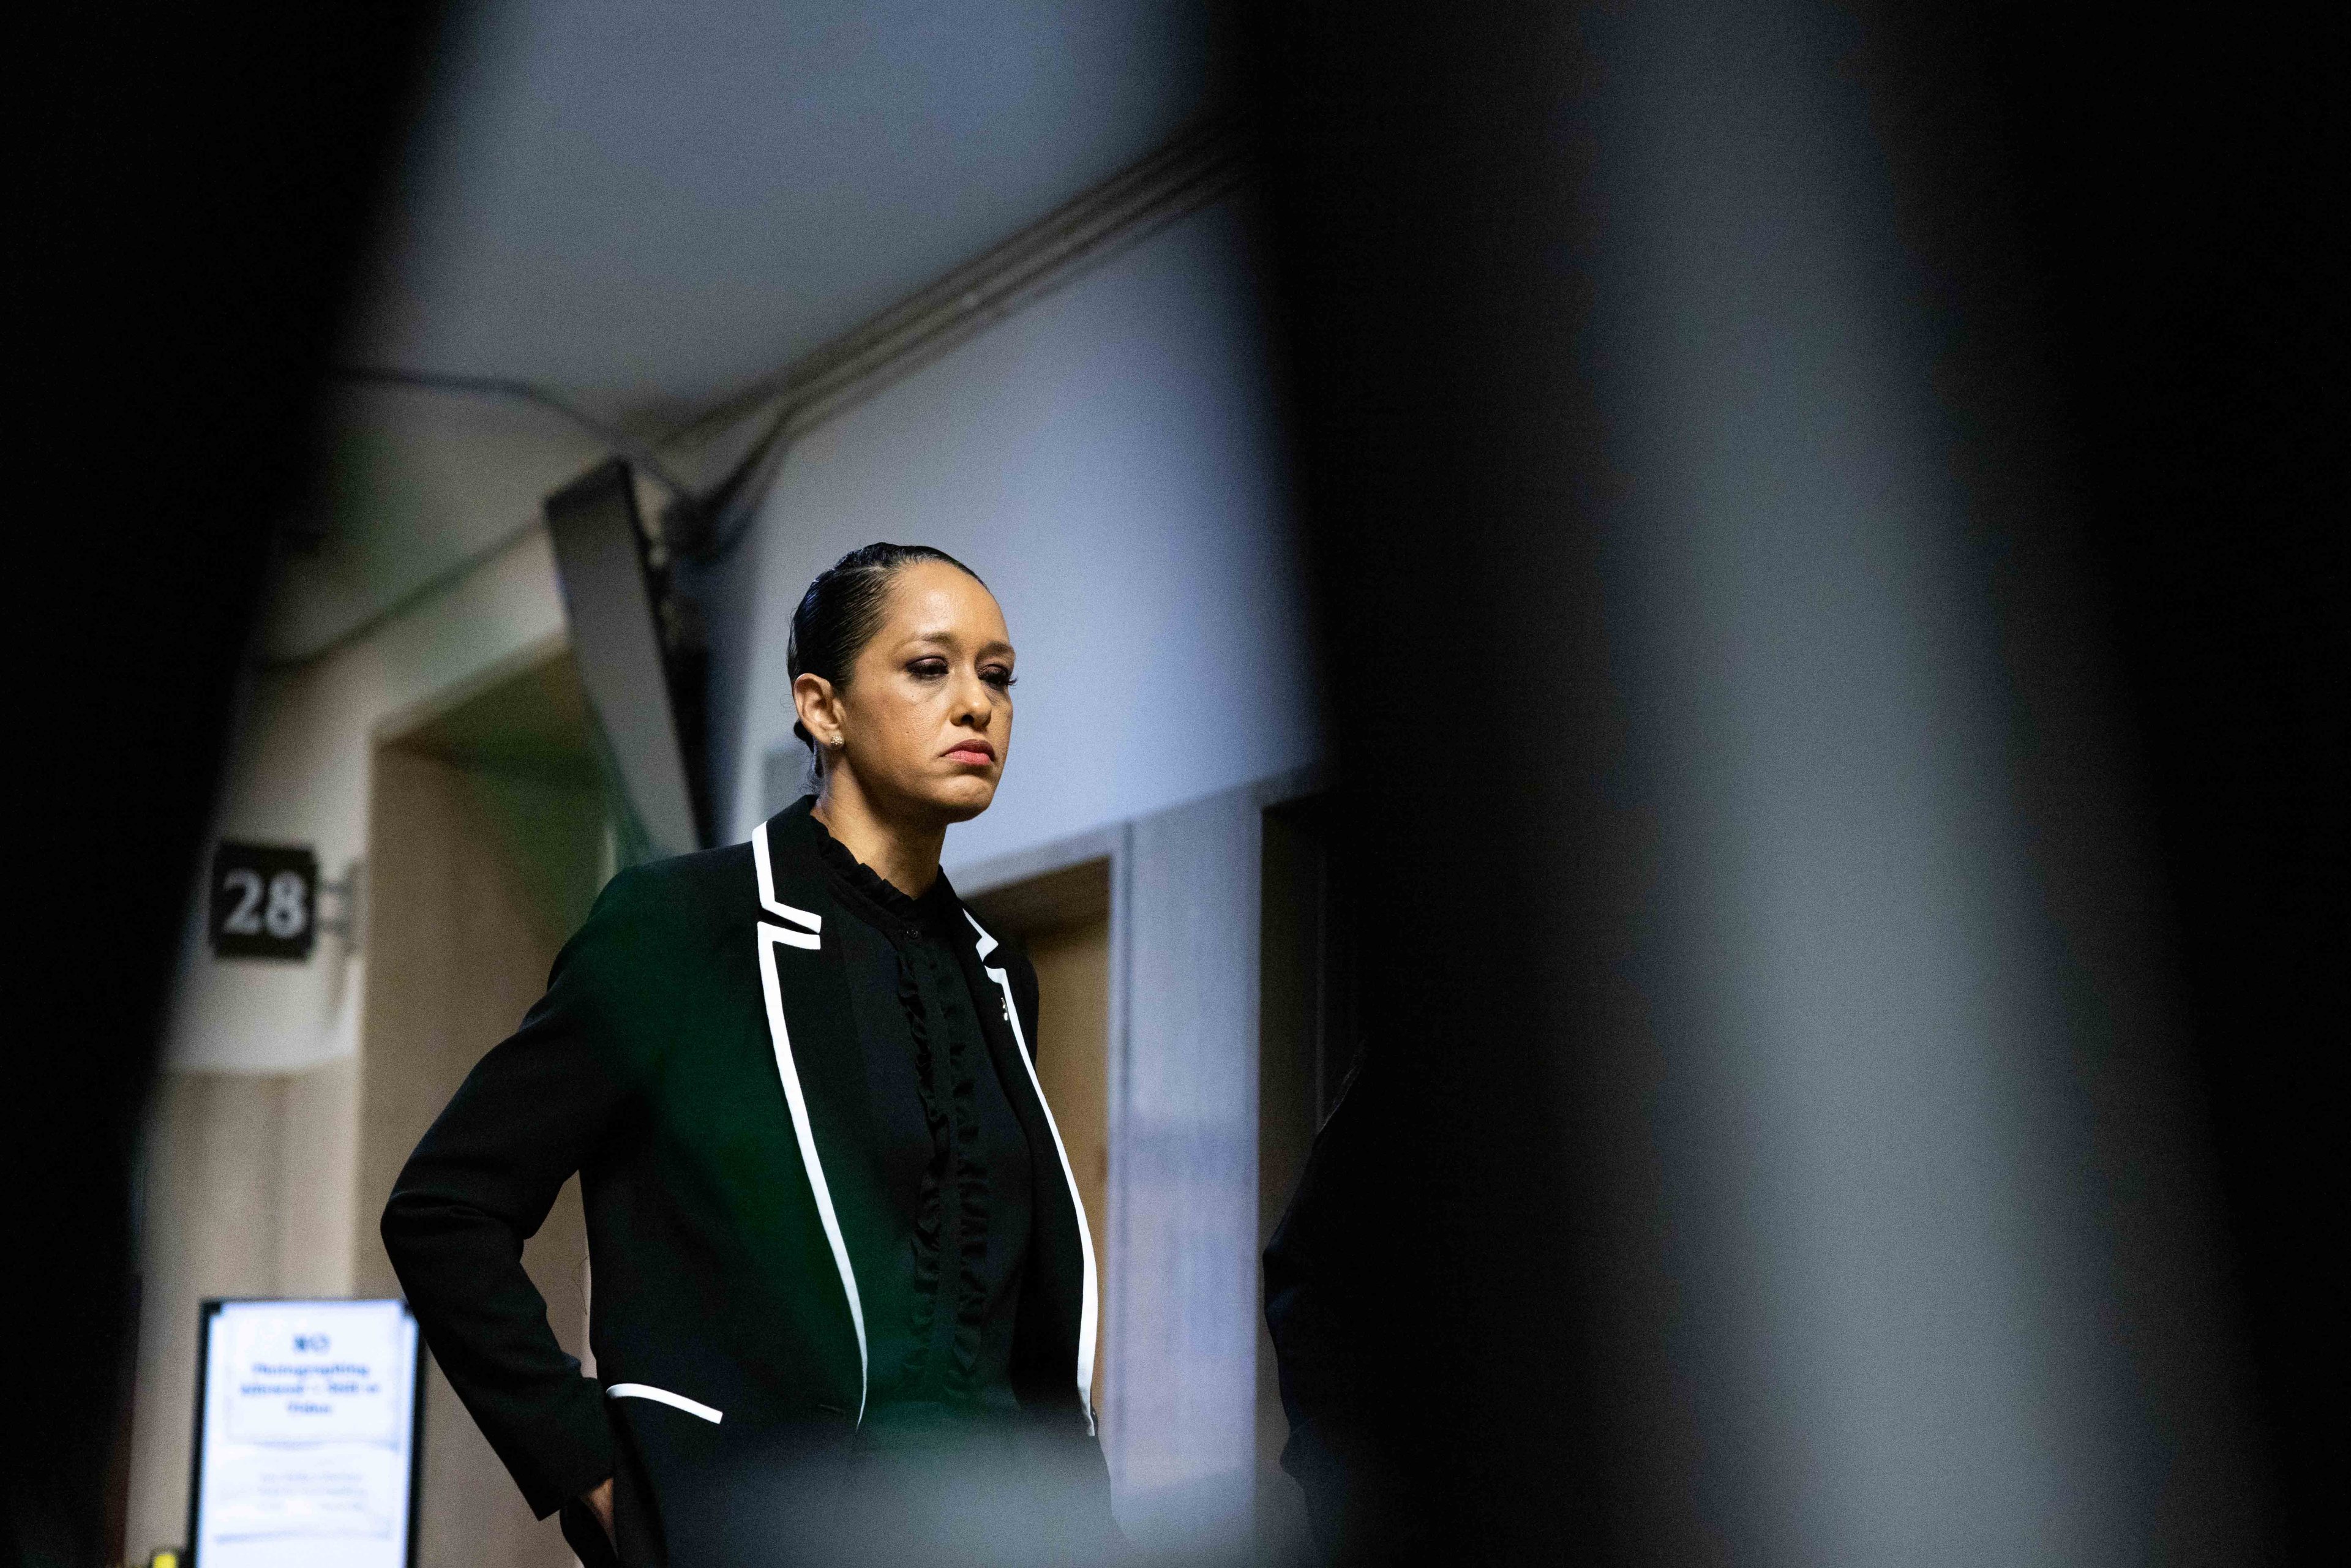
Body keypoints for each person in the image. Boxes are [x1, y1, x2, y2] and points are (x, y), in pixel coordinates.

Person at [382, 544, 1119, 1567]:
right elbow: (443, 1208)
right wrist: (592, 1471)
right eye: (929, 666)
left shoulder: (999, 974)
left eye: (997, 676)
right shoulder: (683, 928)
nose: (976, 705)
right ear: (821, 707)